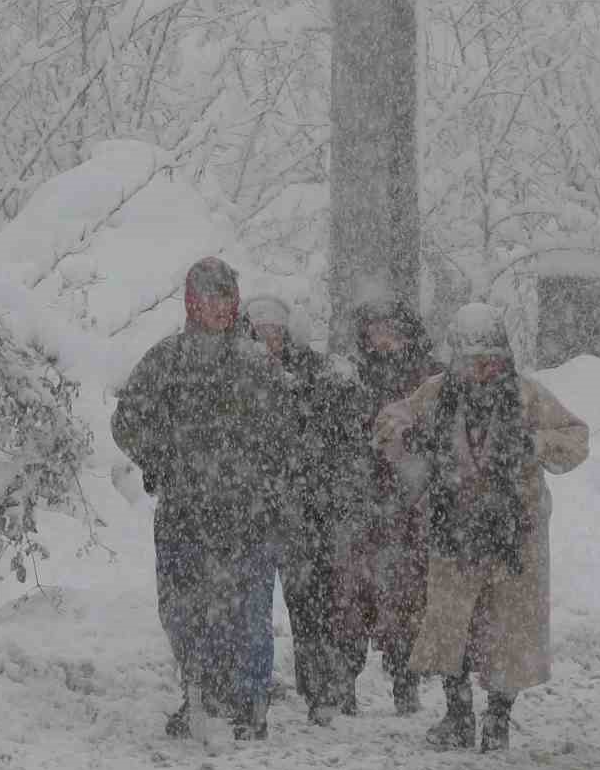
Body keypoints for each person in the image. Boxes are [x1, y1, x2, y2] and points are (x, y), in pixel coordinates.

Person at [374, 302, 588, 752]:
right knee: (450, 629)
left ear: (505, 356)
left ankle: (498, 719)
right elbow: (389, 422)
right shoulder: (436, 394)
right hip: (454, 531)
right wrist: (410, 437)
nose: (481, 369)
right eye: (472, 361)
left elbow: (575, 439)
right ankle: (457, 717)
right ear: (456, 358)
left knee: (508, 633)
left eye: (490, 359)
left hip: (516, 537)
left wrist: (532, 443)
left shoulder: (527, 396)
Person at [111, 258, 294, 741]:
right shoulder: (166, 360)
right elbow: (127, 419)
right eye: (209, 296)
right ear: (192, 302)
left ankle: (250, 703)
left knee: (246, 613)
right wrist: (163, 458)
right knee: (183, 610)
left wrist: (259, 481)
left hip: (247, 514)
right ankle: (198, 694)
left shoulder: (257, 366)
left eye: (227, 296)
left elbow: (286, 436)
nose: (219, 306)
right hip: (185, 513)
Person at [241, 294, 358, 726]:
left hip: (303, 510)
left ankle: (321, 690)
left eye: (275, 330)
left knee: (310, 604)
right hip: (253, 508)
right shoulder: (240, 372)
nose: (268, 339)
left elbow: (337, 431)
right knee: (248, 606)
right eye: (260, 331)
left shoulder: (313, 375)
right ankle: (247, 689)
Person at [331, 300, 441, 716]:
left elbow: (440, 432)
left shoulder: (430, 377)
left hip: (413, 503)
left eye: (392, 330)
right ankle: (345, 680)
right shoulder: (352, 378)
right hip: (362, 500)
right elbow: (339, 431)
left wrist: (415, 456)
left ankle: (405, 680)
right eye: (376, 330)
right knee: (352, 596)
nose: (384, 339)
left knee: (409, 597)